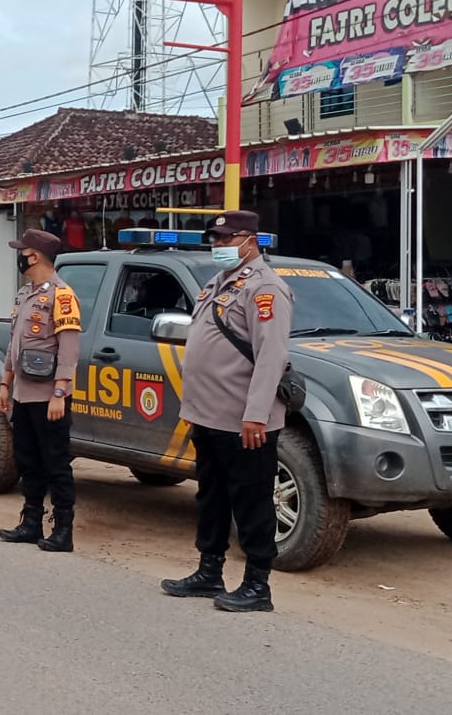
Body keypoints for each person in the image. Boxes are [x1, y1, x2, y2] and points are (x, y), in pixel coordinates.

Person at [160, 210, 295, 612]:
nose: (217, 246)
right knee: (211, 496)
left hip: (244, 419)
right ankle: (209, 571)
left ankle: (257, 584)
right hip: (209, 414)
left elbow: (271, 356)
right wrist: (192, 407)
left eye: (224, 239)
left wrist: (256, 413)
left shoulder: (266, 288)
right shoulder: (217, 283)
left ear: (249, 240)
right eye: (214, 240)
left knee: (252, 499)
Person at [0, 228, 82, 553]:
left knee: (56, 463)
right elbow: (13, 346)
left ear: (34, 256)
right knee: (28, 460)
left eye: (23, 251)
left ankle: (63, 530)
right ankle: (30, 522)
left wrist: (60, 392)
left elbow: (69, 349)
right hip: (22, 394)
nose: (19, 256)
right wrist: (5, 383)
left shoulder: (62, 296)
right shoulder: (24, 295)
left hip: (49, 398)